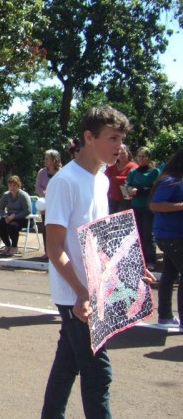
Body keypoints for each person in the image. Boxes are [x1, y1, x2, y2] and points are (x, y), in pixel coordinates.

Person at [41, 105, 156, 419]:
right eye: (112, 138)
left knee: (67, 364)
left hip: (92, 291)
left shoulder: (102, 180)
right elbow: (54, 247)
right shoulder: (65, 181)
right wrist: (82, 293)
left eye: (121, 139)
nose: (119, 146)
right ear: (89, 137)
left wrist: (131, 267)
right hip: (75, 295)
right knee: (98, 372)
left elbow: (101, 241)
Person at [149, 149, 183, 330]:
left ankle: (165, 316)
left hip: (173, 235)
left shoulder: (176, 180)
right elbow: (155, 205)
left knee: (169, 274)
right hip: (171, 236)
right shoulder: (170, 181)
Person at [125, 146, 159, 270]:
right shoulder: (133, 172)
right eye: (139, 156)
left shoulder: (154, 172)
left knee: (148, 233)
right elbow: (127, 185)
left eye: (144, 156)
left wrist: (138, 191)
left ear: (149, 158)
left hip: (148, 207)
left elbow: (153, 189)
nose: (141, 158)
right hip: (136, 206)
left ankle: (151, 261)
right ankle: (140, 259)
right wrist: (129, 189)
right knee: (138, 233)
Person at [35, 149, 62, 257]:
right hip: (45, 206)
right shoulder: (42, 172)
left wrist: (53, 193)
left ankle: (58, 252)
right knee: (46, 229)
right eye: (45, 158)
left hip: (58, 205)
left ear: (54, 160)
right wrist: (45, 193)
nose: (45, 160)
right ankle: (47, 252)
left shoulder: (61, 172)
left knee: (58, 230)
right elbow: (37, 187)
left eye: (47, 159)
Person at [0, 175, 32, 256]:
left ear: (18, 185)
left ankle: (14, 246)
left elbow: (27, 211)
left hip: (22, 218)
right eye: (10, 185)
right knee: (0, 224)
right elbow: (0, 208)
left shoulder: (23, 195)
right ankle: (7, 245)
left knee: (12, 226)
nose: (12, 187)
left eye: (14, 185)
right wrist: (5, 216)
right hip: (9, 217)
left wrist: (14, 217)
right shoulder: (6, 195)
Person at [104, 144, 136, 213]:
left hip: (126, 198)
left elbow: (131, 181)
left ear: (128, 153)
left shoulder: (133, 166)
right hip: (111, 198)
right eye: (119, 153)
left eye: (123, 153)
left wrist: (115, 179)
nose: (121, 155)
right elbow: (104, 179)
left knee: (122, 217)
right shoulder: (111, 167)